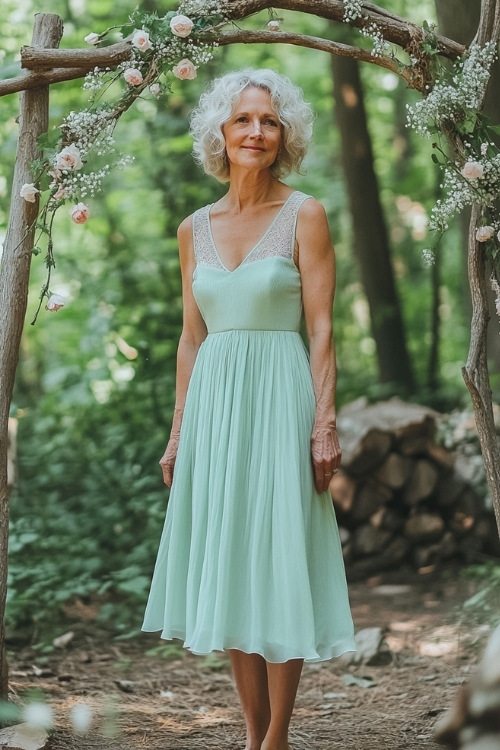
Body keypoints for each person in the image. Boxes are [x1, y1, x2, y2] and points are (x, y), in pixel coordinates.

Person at [142, 68, 356, 750]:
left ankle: (278, 737)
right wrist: (178, 436)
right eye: (243, 120)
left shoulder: (305, 214)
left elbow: (322, 329)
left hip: (279, 398)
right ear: (220, 133)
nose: (256, 132)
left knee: (278, 553)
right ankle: (251, 732)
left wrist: (324, 424)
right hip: (214, 408)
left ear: (282, 135)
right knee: (231, 556)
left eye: (268, 121)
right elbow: (190, 337)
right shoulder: (192, 229)